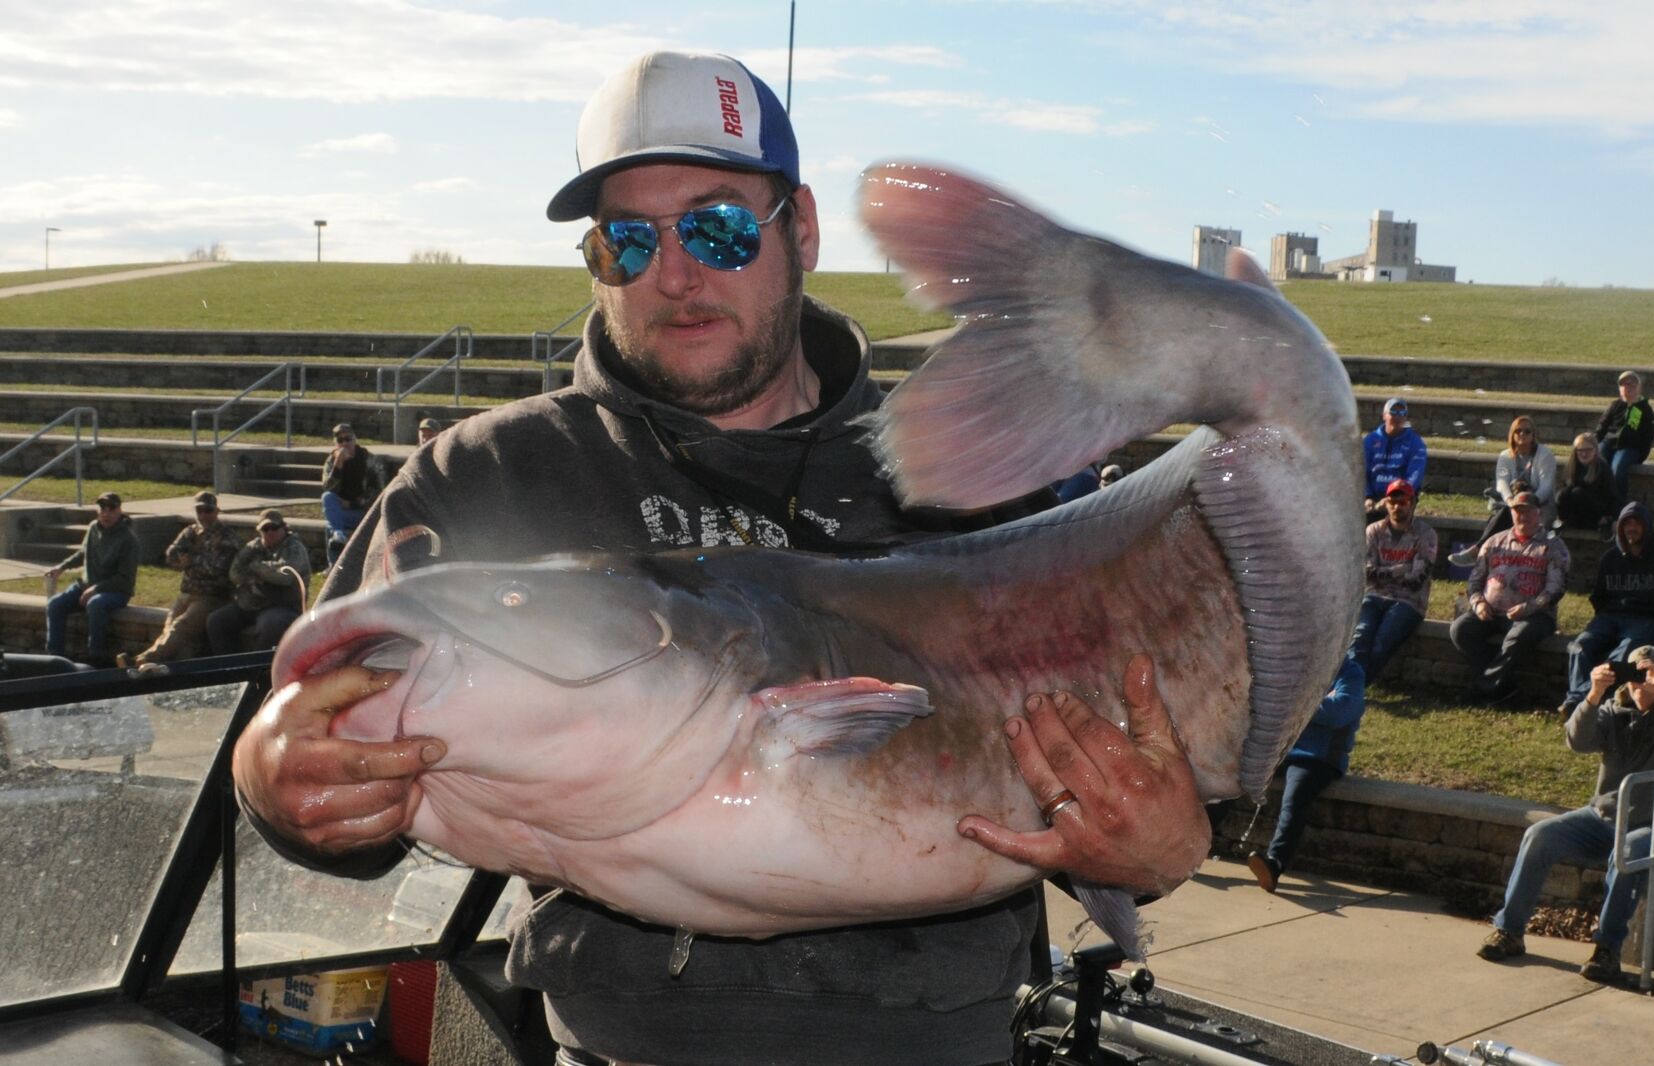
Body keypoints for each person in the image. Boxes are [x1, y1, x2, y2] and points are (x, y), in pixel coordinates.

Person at [229, 49, 1210, 1066]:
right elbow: (325, 750)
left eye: (719, 226)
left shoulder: (967, 485)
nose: (676, 274)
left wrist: (1161, 853)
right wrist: (275, 780)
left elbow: (1120, 764)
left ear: (804, 231)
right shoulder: (483, 481)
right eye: (626, 240)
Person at [1476, 645, 1654, 983]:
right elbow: (1577, 740)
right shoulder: (1612, 710)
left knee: (1628, 851)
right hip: (1603, 820)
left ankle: (1607, 949)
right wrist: (1593, 694)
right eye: (1633, 672)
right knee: (1539, 835)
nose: (1640, 680)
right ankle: (1509, 931)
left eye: (1649, 671)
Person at [1559, 503, 1654, 716]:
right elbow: (1599, 597)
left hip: (1649, 620)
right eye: (1627, 523)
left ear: (1647, 527)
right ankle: (1577, 700)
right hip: (1611, 618)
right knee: (1580, 646)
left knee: (1625, 651)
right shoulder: (1609, 559)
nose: (1631, 528)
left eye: (1637, 523)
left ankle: (1582, 701)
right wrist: (1605, 620)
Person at [1247, 657, 1365, 894]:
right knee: (1238, 776)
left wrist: (1294, 703)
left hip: (1318, 758)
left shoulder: (1350, 673)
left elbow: (1339, 712)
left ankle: (1274, 864)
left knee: (1296, 797)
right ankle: (1197, 846)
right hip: (1281, 750)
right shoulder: (1299, 665)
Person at [1449, 490, 1569, 706]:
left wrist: (1529, 607)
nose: (1521, 516)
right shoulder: (1494, 541)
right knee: (1460, 630)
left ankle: (1482, 688)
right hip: (1491, 612)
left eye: (1526, 511)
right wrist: (1478, 603)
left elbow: (1556, 589)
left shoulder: (1553, 546)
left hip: (1535, 616)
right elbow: (1474, 581)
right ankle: (1504, 688)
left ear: (1538, 513)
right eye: (1516, 511)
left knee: (1518, 636)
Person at [119, 490, 238, 672]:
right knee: (170, 624)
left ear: (216, 511)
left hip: (212, 596)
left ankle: (139, 661)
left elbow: (217, 568)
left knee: (181, 626)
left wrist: (189, 560)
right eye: (199, 510)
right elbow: (171, 554)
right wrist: (190, 559)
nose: (203, 515)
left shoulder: (227, 536)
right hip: (187, 592)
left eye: (208, 510)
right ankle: (158, 665)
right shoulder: (191, 531)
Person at [1350, 478, 1435, 685]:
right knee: (1358, 638)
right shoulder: (1373, 531)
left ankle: (1352, 690)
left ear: (1413, 503)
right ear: (1386, 504)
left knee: (1383, 641)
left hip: (1409, 602)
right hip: (1373, 596)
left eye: (1403, 502)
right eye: (1392, 502)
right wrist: (1399, 570)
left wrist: (1382, 572)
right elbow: (1364, 572)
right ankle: (1350, 691)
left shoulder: (1426, 535)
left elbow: (1416, 580)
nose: (1397, 507)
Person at [44, 492, 140, 667]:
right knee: (55, 604)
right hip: (86, 586)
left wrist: (96, 589)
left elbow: (124, 578)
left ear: (119, 510)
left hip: (116, 591)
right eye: (103, 508)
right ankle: (55, 656)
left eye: (111, 509)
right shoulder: (93, 528)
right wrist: (61, 567)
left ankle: (96, 655)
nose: (106, 513)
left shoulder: (128, 540)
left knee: (95, 604)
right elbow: (82, 553)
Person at [1450, 415, 1556, 567]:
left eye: (1527, 431)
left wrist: (1528, 503)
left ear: (1534, 435)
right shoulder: (1505, 456)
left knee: (1510, 513)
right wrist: (1511, 501)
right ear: (1512, 434)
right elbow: (1502, 484)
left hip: (1541, 503)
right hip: (1512, 503)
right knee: (1506, 511)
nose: (1522, 434)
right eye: (1518, 431)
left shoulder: (1545, 455)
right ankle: (1484, 555)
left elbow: (1546, 487)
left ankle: (1478, 551)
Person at [207, 509, 311, 654]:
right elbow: (235, 574)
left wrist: (256, 567)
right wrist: (261, 573)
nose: (270, 532)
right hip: (251, 605)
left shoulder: (294, 548)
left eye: (274, 528)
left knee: (270, 625)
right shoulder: (253, 547)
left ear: (284, 528)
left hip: (284, 606)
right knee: (217, 620)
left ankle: (260, 669)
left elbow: (285, 575)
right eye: (265, 529)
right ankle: (229, 666)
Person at [321, 422, 385, 569]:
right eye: (340, 440)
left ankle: (334, 564)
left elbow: (379, 491)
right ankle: (335, 563)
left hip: (364, 513)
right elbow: (327, 488)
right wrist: (338, 465)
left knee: (331, 524)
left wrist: (354, 504)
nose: (345, 443)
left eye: (348, 439)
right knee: (328, 501)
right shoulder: (332, 460)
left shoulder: (369, 459)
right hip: (342, 512)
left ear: (355, 439)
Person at [1362, 397, 1428, 522]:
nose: (1398, 417)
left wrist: (1393, 498)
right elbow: (1361, 472)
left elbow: (1415, 476)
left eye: (1402, 413)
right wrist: (1367, 496)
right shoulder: (1369, 441)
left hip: (1400, 496)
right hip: (1373, 496)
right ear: (1384, 415)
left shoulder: (1415, 443)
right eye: (1394, 412)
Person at [1594, 370, 1654, 504]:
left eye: (1632, 384)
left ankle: (1618, 507)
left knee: (1617, 468)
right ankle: (1598, 504)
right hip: (1608, 443)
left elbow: (1648, 435)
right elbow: (1602, 426)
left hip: (1629, 448)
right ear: (1619, 389)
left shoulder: (1644, 408)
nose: (1628, 387)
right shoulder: (1615, 405)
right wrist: (1595, 443)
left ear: (1639, 387)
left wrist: (1642, 455)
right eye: (1624, 385)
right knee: (1598, 466)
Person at [1556, 431, 1617, 532]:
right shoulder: (1572, 467)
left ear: (1595, 450)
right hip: (1577, 511)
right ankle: (1564, 523)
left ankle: (1599, 525)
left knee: (1578, 492)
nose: (1584, 454)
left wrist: (1611, 517)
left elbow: (1611, 496)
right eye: (1580, 450)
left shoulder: (1602, 468)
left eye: (1588, 450)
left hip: (1596, 512)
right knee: (1561, 495)